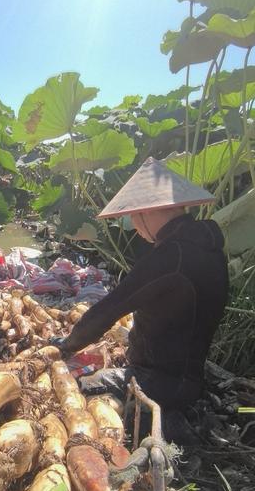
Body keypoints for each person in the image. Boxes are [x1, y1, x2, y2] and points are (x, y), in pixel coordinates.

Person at [54, 158, 229, 412]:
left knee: (78, 384)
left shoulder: (171, 256)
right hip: (189, 377)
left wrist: (67, 345)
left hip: (160, 382)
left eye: (133, 216)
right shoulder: (210, 249)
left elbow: (110, 309)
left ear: (145, 211)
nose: (135, 227)